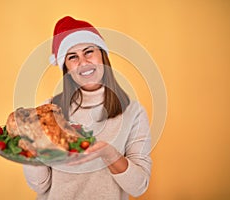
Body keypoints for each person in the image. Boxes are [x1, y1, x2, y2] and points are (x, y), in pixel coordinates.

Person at [23, 16, 152, 200]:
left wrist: (109, 154)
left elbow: (139, 187)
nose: (83, 63)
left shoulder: (134, 113)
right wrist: (29, 145)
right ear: (66, 67)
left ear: (102, 55)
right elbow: (40, 185)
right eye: (73, 57)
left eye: (88, 52)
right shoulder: (49, 112)